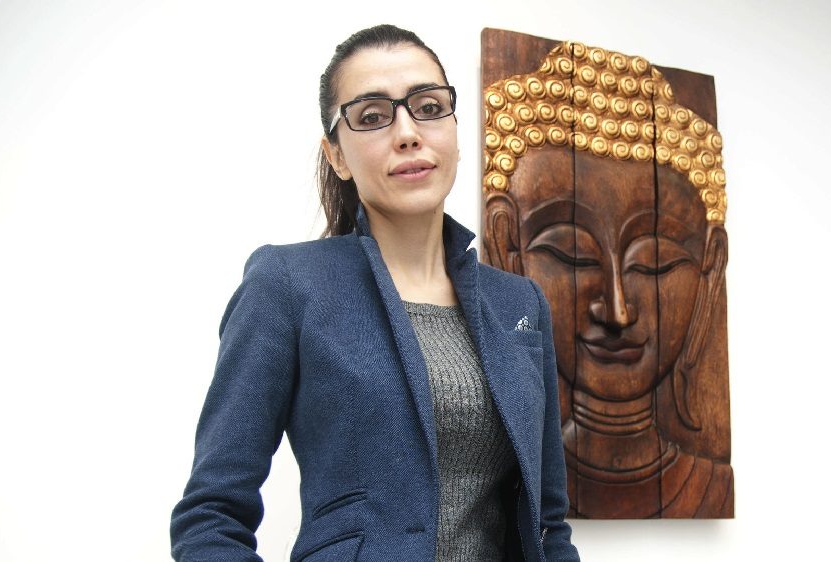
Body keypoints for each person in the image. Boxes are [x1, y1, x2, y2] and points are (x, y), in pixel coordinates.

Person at [170, 24, 580, 562]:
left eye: (428, 107)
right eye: (371, 117)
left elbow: (548, 525)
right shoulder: (287, 285)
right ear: (337, 156)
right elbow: (211, 516)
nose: (407, 133)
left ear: (455, 130)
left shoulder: (520, 304)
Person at [481, 40, 733, 518]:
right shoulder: (505, 492)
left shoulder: (715, 490)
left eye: (655, 262)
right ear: (507, 248)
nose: (616, 310)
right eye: (572, 255)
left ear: (711, 267)